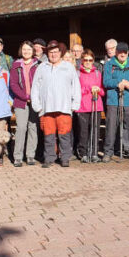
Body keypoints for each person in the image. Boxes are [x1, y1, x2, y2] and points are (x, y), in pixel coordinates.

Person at [31, 40, 81, 168]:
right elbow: (35, 87)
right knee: (48, 135)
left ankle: (65, 158)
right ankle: (49, 158)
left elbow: (76, 86)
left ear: (60, 52)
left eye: (56, 52)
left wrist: (75, 104)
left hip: (64, 107)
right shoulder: (42, 67)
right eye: (51, 52)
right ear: (47, 53)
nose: (53, 54)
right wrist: (37, 105)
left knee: (64, 135)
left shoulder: (68, 67)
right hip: (46, 108)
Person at [102, 42, 129, 162]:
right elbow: (106, 81)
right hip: (113, 100)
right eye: (120, 52)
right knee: (111, 126)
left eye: (125, 52)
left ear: (128, 52)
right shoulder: (109, 65)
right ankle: (107, 152)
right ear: (116, 52)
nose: (122, 54)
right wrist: (118, 83)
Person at [10, 41, 40, 166]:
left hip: (35, 101)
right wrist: (25, 97)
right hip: (20, 101)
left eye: (28, 49)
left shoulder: (39, 65)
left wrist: (34, 97)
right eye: (24, 49)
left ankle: (30, 155)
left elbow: (41, 83)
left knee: (33, 127)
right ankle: (18, 156)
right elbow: (13, 84)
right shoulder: (16, 65)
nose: (26, 52)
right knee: (21, 128)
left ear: (33, 51)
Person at [75, 49, 105, 162]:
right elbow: (76, 90)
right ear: (82, 60)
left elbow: (103, 91)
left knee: (95, 130)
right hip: (83, 106)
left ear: (93, 61)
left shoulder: (97, 73)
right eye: (85, 60)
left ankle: (94, 153)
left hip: (96, 105)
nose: (88, 62)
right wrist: (88, 88)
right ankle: (83, 153)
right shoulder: (78, 73)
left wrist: (98, 90)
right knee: (83, 131)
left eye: (90, 60)